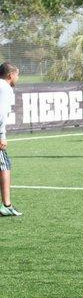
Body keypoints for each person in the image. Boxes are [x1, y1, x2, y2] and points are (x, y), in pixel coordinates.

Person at [0, 62, 22, 217]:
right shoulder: (6, 89)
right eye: (17, 74)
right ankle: (7, 205)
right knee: (5, 166)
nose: (18, 78)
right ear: (10, 75)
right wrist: (2, 136)